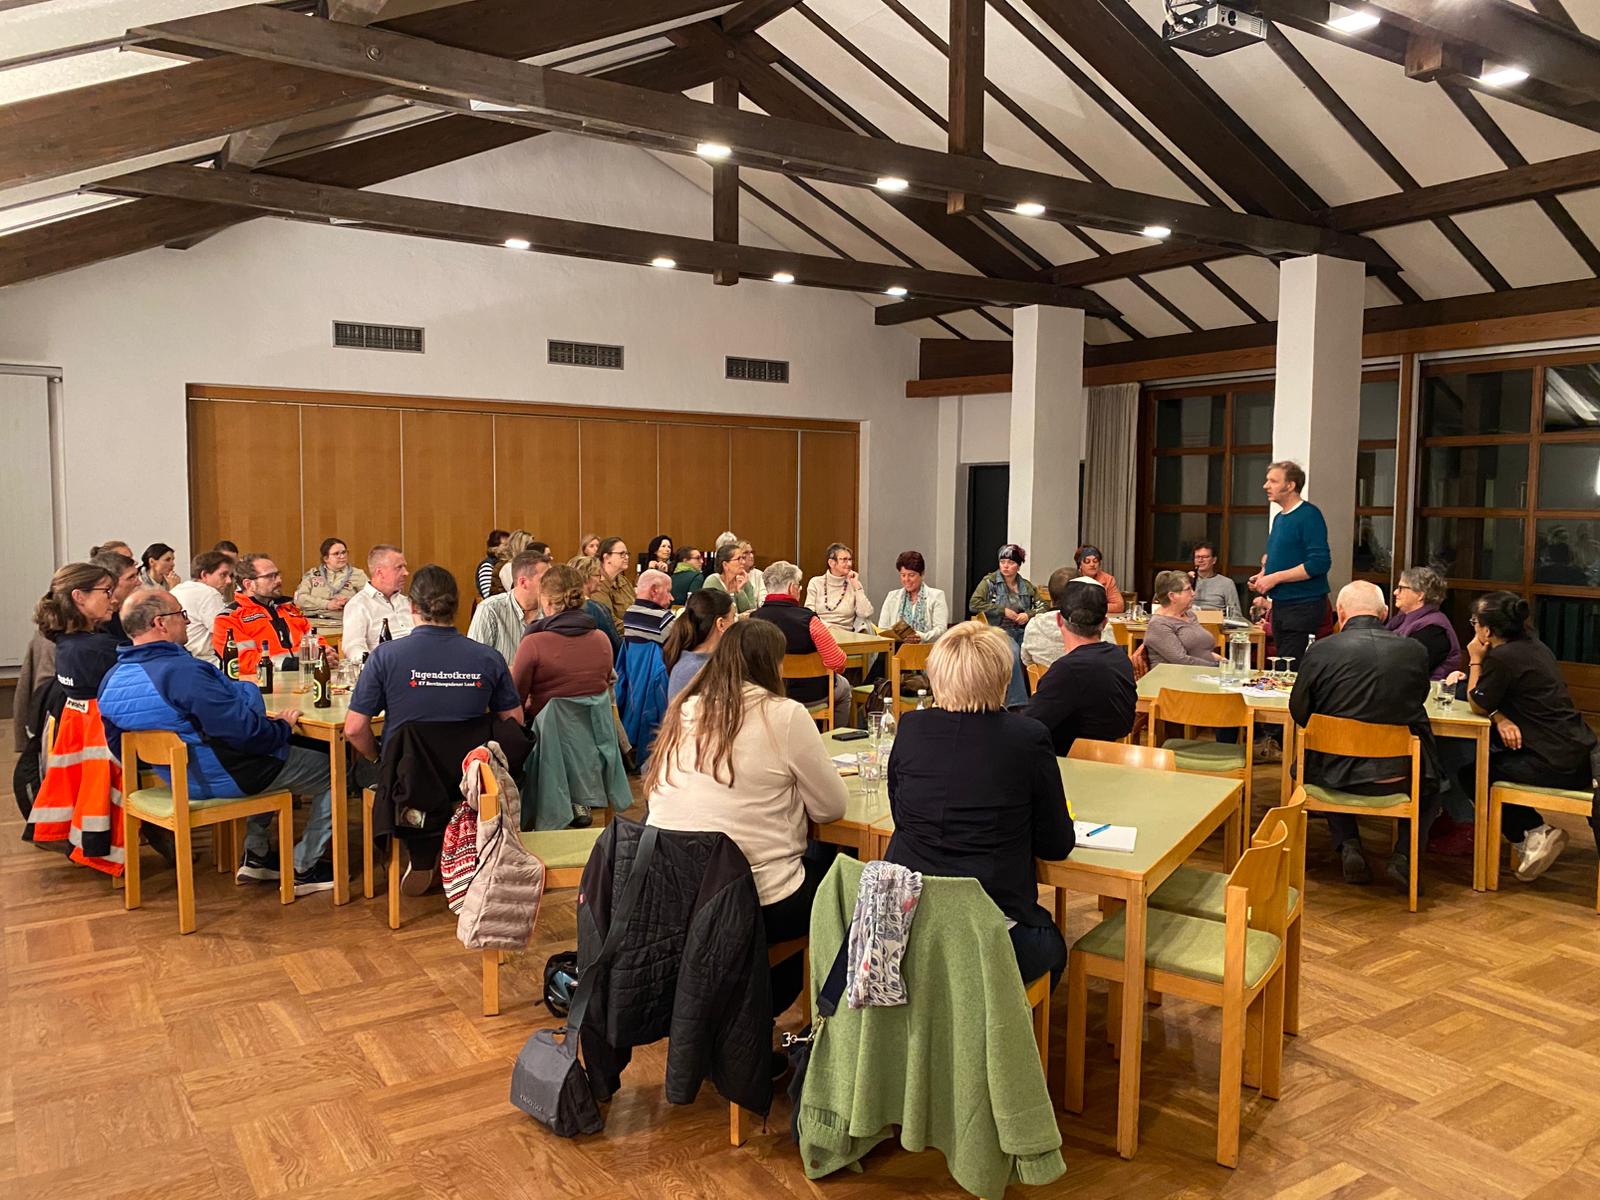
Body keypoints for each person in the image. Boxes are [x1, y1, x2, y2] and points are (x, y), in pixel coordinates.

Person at [644, 619, 848, 1017]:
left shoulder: (684, 708)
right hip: (753, 898)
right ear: (772, 665)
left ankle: (741, 1006)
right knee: (835, 876)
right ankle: (800, 1010)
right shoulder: (783, 714)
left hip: (675, 893)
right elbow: (830, 809)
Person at [98, 587, 340, 893]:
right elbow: (248, 734)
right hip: (227, 775)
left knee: (271, 752)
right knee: (334, 766)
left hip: (177, 779)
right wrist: (281, 727)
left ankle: (258, 855)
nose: (187, 622)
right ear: (160, 623)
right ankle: (304, 866)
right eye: (181, 615)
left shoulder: (111, 679)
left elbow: (121, 748)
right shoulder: (183, 674)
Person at [883, 622, 1074, 987]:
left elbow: (901, 815)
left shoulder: (911, 727)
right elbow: (1056, 844)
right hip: (989, 928)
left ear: (937, 676)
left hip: (909, 927)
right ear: (1003, 677)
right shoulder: (1027, 737)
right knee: (1052, 948)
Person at [344, 567, 523, 889]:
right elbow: (514, 723)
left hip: (410, 778)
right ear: (456, 605)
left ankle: (422, 849)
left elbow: (355, 729)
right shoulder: (488, 657)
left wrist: (379, 759)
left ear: (412, 606)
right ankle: (465, 846)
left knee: (360, 772)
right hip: (472, 776)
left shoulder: (385, 656)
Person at [1288, 580, 1436, 890]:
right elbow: (1417, 701)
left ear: (1340, 612)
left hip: (1332, 770)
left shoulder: (1320, 650)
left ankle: (1349, 843)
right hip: (1399, 773)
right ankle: (1404, 856)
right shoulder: (1414, 651)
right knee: (1434, 781)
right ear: (1384, 613)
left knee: (1311, 759)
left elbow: (1299, 711)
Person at [1454, 591, 1600, 883]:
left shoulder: (1502, 657)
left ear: (1487, 630)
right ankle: (1533, 833)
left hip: (1554, 762)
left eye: (1475, 623)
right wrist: (1500, 716)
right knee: (1494, 759)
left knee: (1475, 773)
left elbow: (1477, 702)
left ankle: (1533, 833)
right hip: (1580, 752)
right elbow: (1498, 701)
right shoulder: (1535, 647)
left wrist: (1475, 660)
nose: (1473, 628)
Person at [1024, 580, 1136, 755]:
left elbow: (1029, 726)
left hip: (1068, 761)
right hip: (1114, 758)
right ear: (1104, 623)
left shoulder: (1067, 670)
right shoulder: (1120, 658)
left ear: (1059, 620)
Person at [1249, 460, 1331, 667]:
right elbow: (1282, 557)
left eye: (1273, 481)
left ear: (1291, 485)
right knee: (1281, 664)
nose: (1266, 486)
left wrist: (1274, 578)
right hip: (1281, 604)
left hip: (1302, 604)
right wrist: (1263, 575)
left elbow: (1319, 563)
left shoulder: (1309, 515)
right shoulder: (1279, 518)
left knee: (1288, 667)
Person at [510, 564, 617, 721]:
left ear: (547, 602)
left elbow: (514, 703)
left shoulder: (533, 644)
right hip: (597, 733)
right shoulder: (602, 640)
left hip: (546, 734)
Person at [751, 560, 850, 727]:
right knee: (845, 688)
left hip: (770, 693)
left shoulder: (753, 620)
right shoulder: (809, 620)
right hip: (812, 694)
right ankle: (834, 736)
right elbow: (837, 662)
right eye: (799, 586)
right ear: (792, 588)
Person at [969, 544, 1046, 706]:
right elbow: (974, 604)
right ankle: (1017, 703)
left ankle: (1040, 696)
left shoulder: (1026, 586)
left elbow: (1043, 607)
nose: (1005, 566)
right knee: (1013, 652)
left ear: (1018, 565)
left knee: (1039, 647)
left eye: (1010, 563)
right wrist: (1001, 610)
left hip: (1022, 630)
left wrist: (1028, 614)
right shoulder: (989, 582)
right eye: (1002, 562)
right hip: (997, 630)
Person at [211, 553, 311, 677]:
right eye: (270, 576)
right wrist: (289, 664)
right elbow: (243, 661)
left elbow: (313, 637)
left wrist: (325, 652)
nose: (279, 580)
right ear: (249, 584)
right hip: (262, 683)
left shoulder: (289, 608)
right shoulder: (229, 619)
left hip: (303, 678)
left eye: (278, 574)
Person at [468, 550, 551, 664]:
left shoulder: (553, 610)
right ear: (523, 582)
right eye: (545, 580)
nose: (552, 584)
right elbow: (475, 662)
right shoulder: (489, 609)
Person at [1384, 566, 1462, 681]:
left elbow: (1407, 667)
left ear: (1420, 595)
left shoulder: (1433, 629)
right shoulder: (1401, 618)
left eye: (1401, 588)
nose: (1395, 592)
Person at [342, 544, 413, 660]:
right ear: (380, 572)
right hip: (385, 666)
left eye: (404, 567)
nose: (406, 573)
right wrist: (374, 666)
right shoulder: (359, 605)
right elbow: (353, 647)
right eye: (399, 567)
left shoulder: (407, 602)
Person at [664, 589, 735, 702]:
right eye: (733, 618)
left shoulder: (707, 659)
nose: (735, 623)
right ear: (721, 624)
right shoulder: (693, 669)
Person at [1144, 569, 1222, 668]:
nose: (1193, 593)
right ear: (1172, 596)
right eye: (1188, 589)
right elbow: (1181, 660)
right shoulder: (1159, 624)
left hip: (1203, 671)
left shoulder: (1189, 615)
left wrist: (1222, 661)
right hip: (1176, 675)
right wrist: (1217, 666)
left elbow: (1200, 651)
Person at [293, 537, 368, 635]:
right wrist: (327, 604)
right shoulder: (312, 574)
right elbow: (300, 599)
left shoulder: (358, 574)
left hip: (342, 625)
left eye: (344, 552)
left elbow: (370, 599)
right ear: (326, 558)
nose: (342, 556)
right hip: (312, 624)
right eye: (336, 554)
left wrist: (350, 602)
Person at [170, 550, 235, 663]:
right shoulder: (210, 593)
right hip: (207, 661)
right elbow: (225, 634)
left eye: (230, 576)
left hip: (179, 659)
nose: (229, 581)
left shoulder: (176, 590)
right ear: (204, 575)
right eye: (223, 575)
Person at [875, 551, 948, 644]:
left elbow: (941, 630)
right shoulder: (892, 597)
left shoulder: (937, 596)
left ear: (922, 574)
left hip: (926, 649)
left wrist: (922, 637)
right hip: (897, 649)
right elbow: (883, 629)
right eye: (903, 575)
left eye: (911, 575)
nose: (906, 579)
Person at [805, 543, 873, 635]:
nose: (849, 564)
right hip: (820, 634)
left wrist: (857, 586)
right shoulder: (816, 583)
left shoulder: (854, 584)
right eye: (844, 560)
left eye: (850, 559)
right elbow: (809, 613)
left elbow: (865, 613)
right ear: (831, 563)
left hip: (847, 636)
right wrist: (829, 629)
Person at [568, 554, 622, 655]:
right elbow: (614, 646)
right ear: (585, 577)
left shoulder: (562, 606)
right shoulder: (597, 609)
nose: (602, 579)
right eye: (598, 575)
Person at [623, 569, 678, 646]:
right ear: (654, 590)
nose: (672, 598)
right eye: (668, 591)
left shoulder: (628, 614)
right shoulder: (663, 620)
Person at [1192, 541, 1242, 620]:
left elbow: (1235, 613)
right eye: (1197, 557)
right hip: (1190, 622)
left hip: (1217, 623)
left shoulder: (1227, 583)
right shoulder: (1186, 581)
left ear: (1214, 560)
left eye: (1205, 557)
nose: (1200, 560)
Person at [702, 543, 756, 613]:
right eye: (738, 559)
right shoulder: (712, 582)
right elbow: (714, 612)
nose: (743, 562)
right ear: (725, 564)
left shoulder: (744, 581)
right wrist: (740, 617)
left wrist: (740, 591)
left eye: (743, 558)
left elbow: (751, 611)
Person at [1073, 545, 1125, 615]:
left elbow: (1119, 606)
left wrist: (1091, 608)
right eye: (1087, 561)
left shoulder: (1108, 579)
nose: (1092, 564)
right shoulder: (1072, 578)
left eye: (1095, 561)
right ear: (1080, 565)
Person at [596, 537, 635, 625]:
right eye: (622, 554)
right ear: (606, 557)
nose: (627, 557)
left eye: (627, 553)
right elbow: (609, 621)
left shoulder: (623, 580)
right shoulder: (598, 583)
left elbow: (637, 607)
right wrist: (636, 628)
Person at [495, 531, 535, 595]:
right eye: (530, 548)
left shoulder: (525, 566)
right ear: (521, 548)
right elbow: (517, 593)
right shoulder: (507, 567)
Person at [477, 529, 510, 599]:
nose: (509, 548)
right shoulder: (487, 565)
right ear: (495, 547)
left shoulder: (508, 563)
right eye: (505, 545)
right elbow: (488, 595)